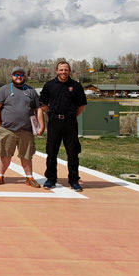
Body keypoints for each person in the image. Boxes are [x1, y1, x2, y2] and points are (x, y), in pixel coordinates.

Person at [0, 66, 45, 187]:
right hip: (7, 130)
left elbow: (38, 109)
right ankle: (0, 176)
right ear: (11, 76)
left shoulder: (31, 91)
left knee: (26, 155)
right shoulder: (4, 90)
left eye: (21, 74)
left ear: (24, 76)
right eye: (16, 75)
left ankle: (29, 178)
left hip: (26, 130)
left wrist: (41, 126)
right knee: (5, 155)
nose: (18, 77)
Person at [39, 60, 87, 191]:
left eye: (66, 70)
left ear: (69, 71)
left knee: (72, 153)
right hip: (54, 122)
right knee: (51, 151)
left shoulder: (76, 86)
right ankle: (50, 179)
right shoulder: (49, 85)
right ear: (56, 71)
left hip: (70, 123)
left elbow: (82, 105)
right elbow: (42, 103)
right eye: (61, 70)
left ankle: (74, 180)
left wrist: (72, 115)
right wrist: (52, 114)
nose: (63, 72)